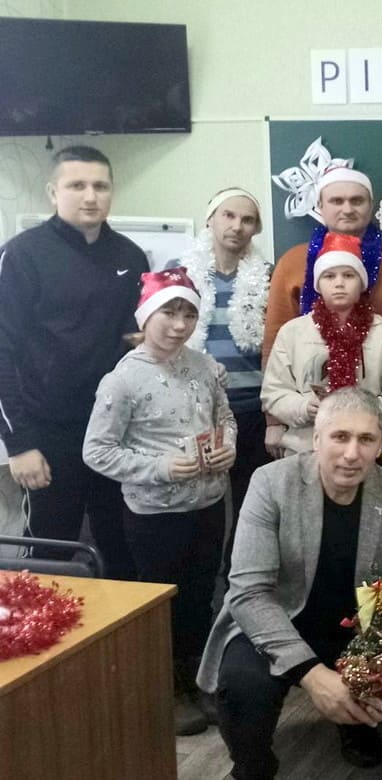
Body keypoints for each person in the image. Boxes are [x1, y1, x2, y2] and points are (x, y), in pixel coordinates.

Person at [196, 387, 382, 778]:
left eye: (366, 439)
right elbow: (249, 593)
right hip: (278, 621)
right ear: (316, 439)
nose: (352, 453)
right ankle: (253, 763)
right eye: (340, 436)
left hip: (352, 630)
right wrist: (313, 676)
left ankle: (354, 722)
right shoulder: (271, 482)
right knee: (243, 689)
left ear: (381, 445)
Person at [82, 267, 237, 735]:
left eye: (189, 315)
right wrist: (160, 468)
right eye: (169, 313)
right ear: (146, 315)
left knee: (200, 594)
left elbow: (225, 418)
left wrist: (228, 445)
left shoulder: (206, 367)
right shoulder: (122, 380)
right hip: (155, 515)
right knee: (162, 599)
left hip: (208, 505)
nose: (179, 325)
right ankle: (166, 688)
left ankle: (198, 678)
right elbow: (97, 451)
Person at [0, 145, 147, 580]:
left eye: (100, 186)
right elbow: (3, 351)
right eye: (77, 185)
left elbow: (136, 344)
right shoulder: (22, 255)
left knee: (122, 550)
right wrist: (19, 444)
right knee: (50, 557)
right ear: (53, 192)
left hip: (116, 431)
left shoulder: (131, 257)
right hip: (48, 436)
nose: (90, 196)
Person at [262, 164, 382, 452]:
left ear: (371, 205)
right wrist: (274, 420)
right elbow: (275, 343)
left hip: (374, 410)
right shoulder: (292, 262)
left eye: (356, 200)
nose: (347, 209)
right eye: (336, 200)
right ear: (320, 206)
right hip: (305, 431)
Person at [169, 187, 271, 583]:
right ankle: (196, 584)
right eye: (228, 215)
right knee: (199, 505)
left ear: (256, 229)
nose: (237, 226)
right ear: (210, 219)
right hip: (195, 410)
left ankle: (237, 582)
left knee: (250, 506)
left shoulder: (268, 275)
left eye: (247, 220)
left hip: (253, 409)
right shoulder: (180, 272)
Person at [262, 232, 382, 456]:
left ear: (361, 283)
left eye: (348, 275)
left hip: (363, 453)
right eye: (329, 276)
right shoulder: (293, 333)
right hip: (304, 449)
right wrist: (304, 407)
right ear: (318, 284)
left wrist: (360, 411)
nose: (339, 283)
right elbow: (274, 392)